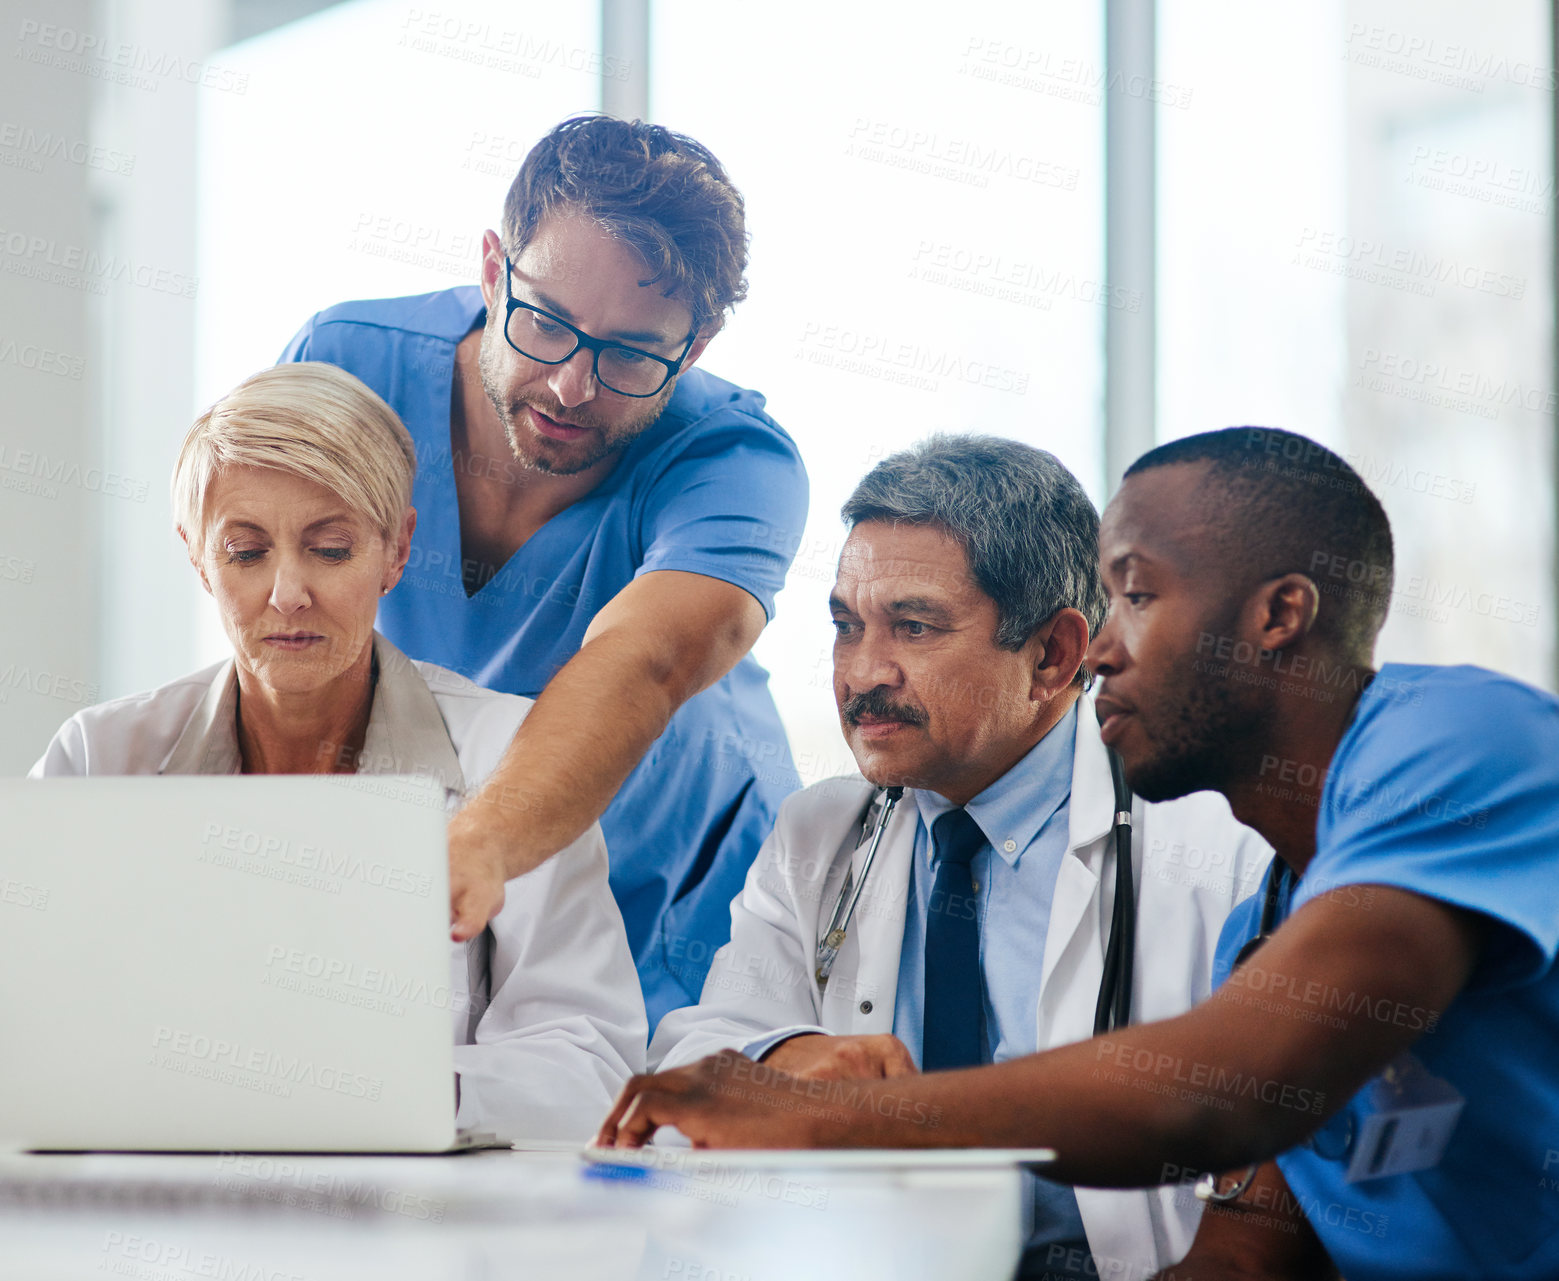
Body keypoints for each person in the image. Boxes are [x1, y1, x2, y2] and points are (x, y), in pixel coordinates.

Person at [597, 426, 1559, 1281]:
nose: (1102, 647)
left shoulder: (1465, 739)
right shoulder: (1266, 921)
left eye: (1134, 596)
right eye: (847, 624)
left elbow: (1215, 1098)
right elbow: (1246, 1240)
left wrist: (820, 1114)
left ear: (1277, 617)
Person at [644, 436, 1271, 1278]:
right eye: (845, 625)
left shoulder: (1210, 848)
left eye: (912, 626)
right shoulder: (818, 834)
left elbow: (1280, 1127)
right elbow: (699, 1051)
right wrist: (797, 1059)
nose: (863, 672)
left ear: (1052, 655)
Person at [279, 114, 809, 1025]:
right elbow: (277, 615)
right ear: (493, 269)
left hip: (686, 922)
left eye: (633, 354)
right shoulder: (347, 368)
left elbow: (642, 663)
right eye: (548, 323)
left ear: (697, 344)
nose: (572, 386)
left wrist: (473, 845)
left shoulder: (735, 463)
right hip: (449, 892)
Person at [31, 362, 647, 1143]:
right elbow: (30, 1017)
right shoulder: (98, 759)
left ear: (395, 551)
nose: (288, 592)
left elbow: (590, 1065)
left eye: (329, 549)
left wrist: (374, 1086)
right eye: (246, 553)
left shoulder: (510, 757)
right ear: (197, 558)